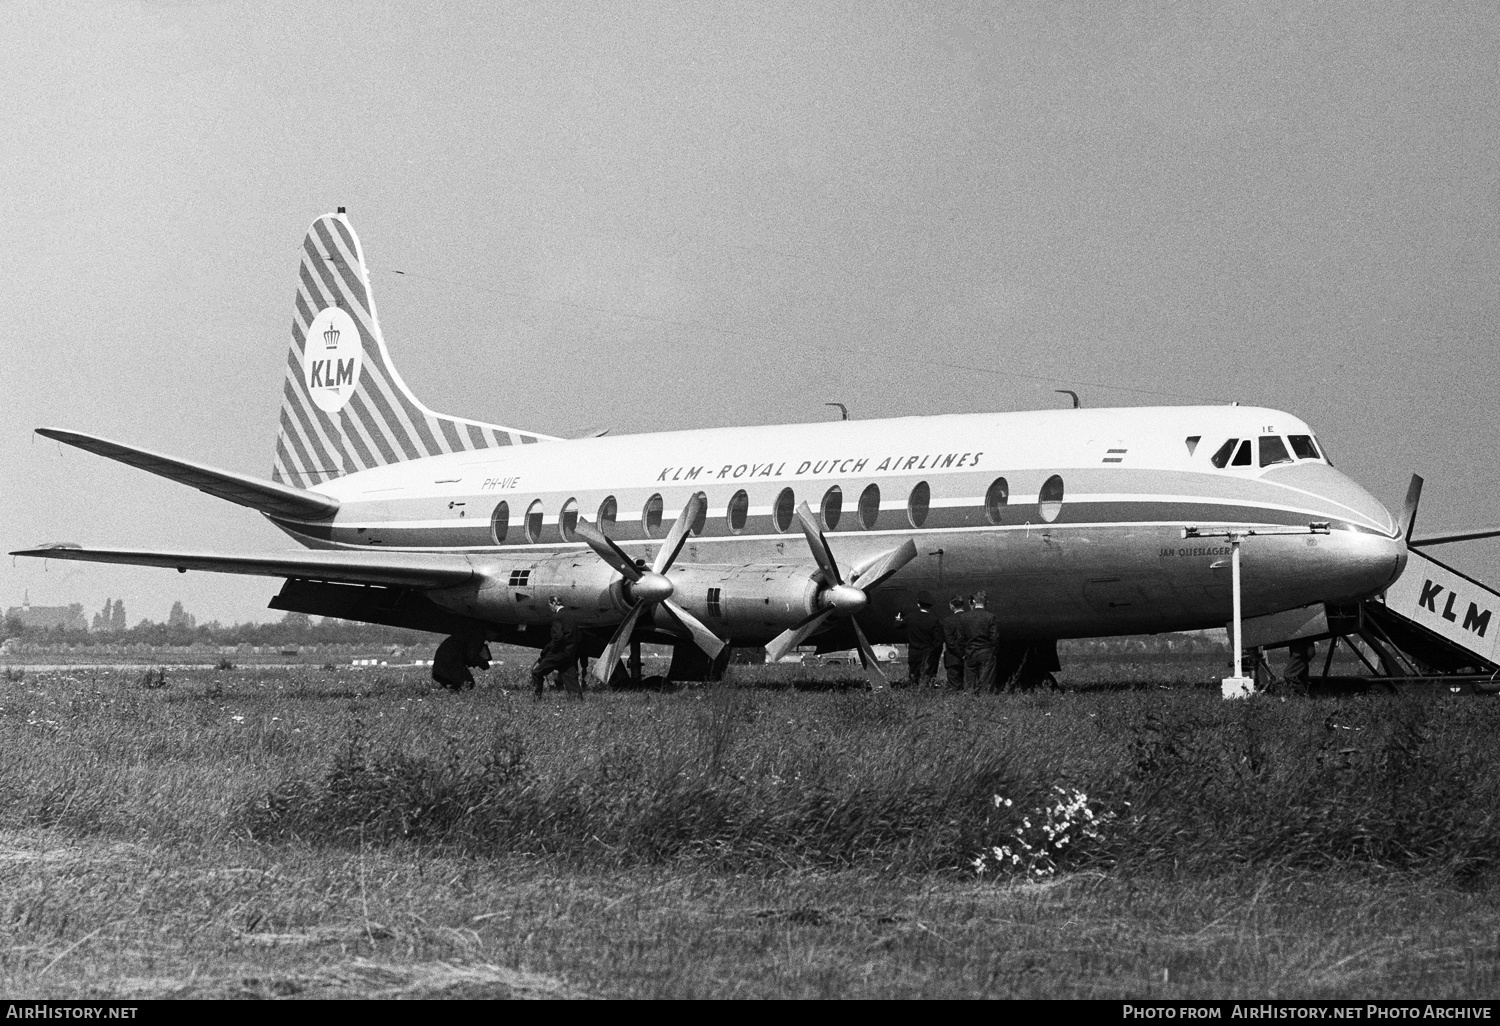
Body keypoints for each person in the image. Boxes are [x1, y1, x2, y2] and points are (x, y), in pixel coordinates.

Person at [531, 596, 584, 698]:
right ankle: (577, 699)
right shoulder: (570, 615)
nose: (549, 607)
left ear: (554, 604)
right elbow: (578, 634)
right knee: (569, 676)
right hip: (569, 652)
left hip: (559, 653)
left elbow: (558, 637)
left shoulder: (557, 616)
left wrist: (549, 650)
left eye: (549, 605)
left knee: (537, 672)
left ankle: (536, 697)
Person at [960, 590, 999, 692]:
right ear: (986, 602)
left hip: (970, 652)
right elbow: (994, 638)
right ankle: (983, 701)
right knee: (986, 682)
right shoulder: (990, 617)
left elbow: (960, 638)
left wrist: (963, 652)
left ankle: (969, 700)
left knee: (969, 683)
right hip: (985, 651)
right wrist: (993, 652)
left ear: (973, 601)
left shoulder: (964, 617)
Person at [904, 592, 945, 687]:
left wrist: (898, 618)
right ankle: (927, 690)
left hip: (914, 652)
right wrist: (933, 650)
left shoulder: (910, 617)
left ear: (918, 604)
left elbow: (898, 625)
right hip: (928, 652)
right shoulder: (934, 620)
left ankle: (914, 690)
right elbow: (938, 640)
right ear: (930, 606)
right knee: (928, 676)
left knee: (914, 675)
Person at [941, 595, 969, 689]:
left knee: (954, 687)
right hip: (969, 656)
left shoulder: (947, 621)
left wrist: (959, 654)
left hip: (952, 658)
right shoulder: (969, 618)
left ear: (952, 606)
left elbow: (949, 642)